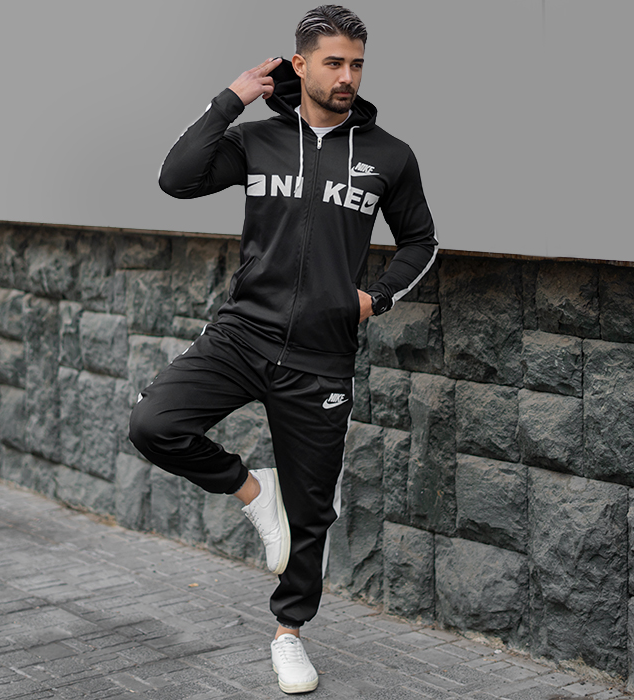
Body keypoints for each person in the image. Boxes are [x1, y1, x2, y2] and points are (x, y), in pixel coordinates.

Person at [129, 5, 437, 694]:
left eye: (357, 64)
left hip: (320, 358)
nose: (347, 76)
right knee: (153, 424)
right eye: (334, 62)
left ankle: (289, 633)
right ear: (300, 65)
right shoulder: (258, 140)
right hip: (242, 335)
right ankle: (251, 488)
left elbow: (421, 240)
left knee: (311, 509)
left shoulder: (389, 155)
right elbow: (177, 178)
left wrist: (375, 297)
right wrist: (232, 98)